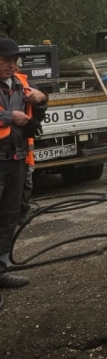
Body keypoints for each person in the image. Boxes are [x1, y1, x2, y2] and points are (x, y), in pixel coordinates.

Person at [0, 38, 48, 288]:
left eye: (14, 60)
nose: (11, 64)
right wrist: (9, 116)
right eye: (6, 60)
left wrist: (41, 98)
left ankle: (2, 268)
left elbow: (38, 110)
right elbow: (11, 117)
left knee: (10, 215)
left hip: (17, 158)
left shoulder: (21, 84)